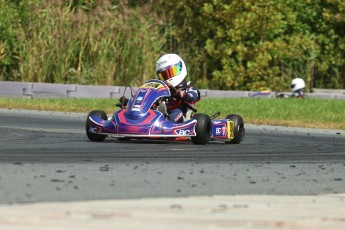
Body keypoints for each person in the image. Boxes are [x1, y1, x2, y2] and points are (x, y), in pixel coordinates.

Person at [155, 53, 200, 123]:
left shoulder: (188, 89)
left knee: (175, 114)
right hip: (165, 112)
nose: (168, 77)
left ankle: (167, 124)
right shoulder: (163, 91)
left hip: (183, 116)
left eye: (171, 72)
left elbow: (194, 96)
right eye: (165, 75)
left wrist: (183, 95)